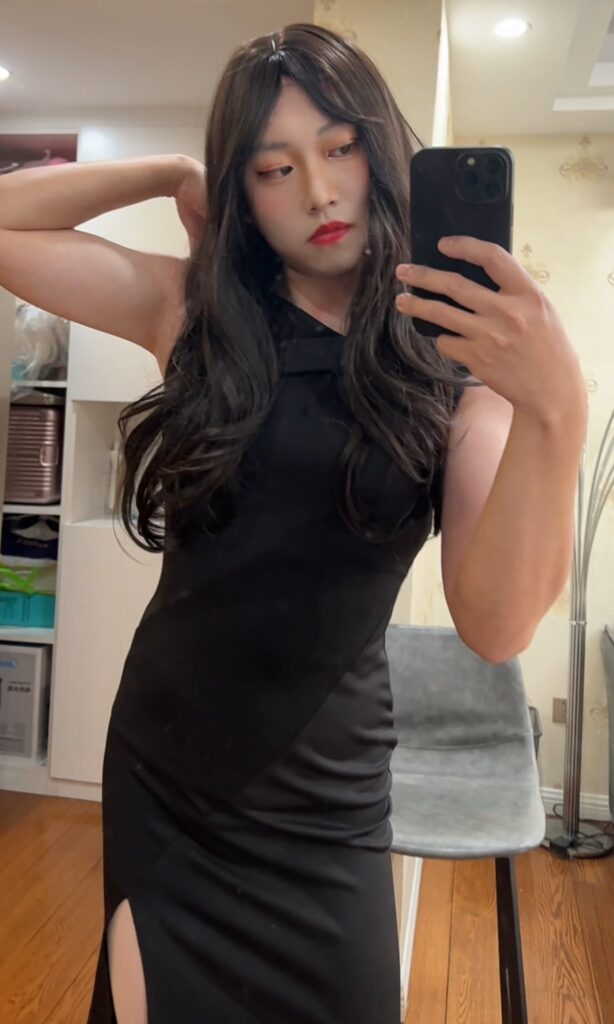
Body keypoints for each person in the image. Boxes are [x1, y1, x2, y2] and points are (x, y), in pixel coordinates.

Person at [0, 21, 587, 1024]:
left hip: (328, 805)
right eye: (273, 168)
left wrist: (555, 408)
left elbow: (494, 625)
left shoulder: (454, 367)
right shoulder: (197, 316)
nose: (317, 192)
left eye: (340, 148)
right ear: (242, 191)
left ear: (379, 152)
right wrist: (169, 171)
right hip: (171, 778)